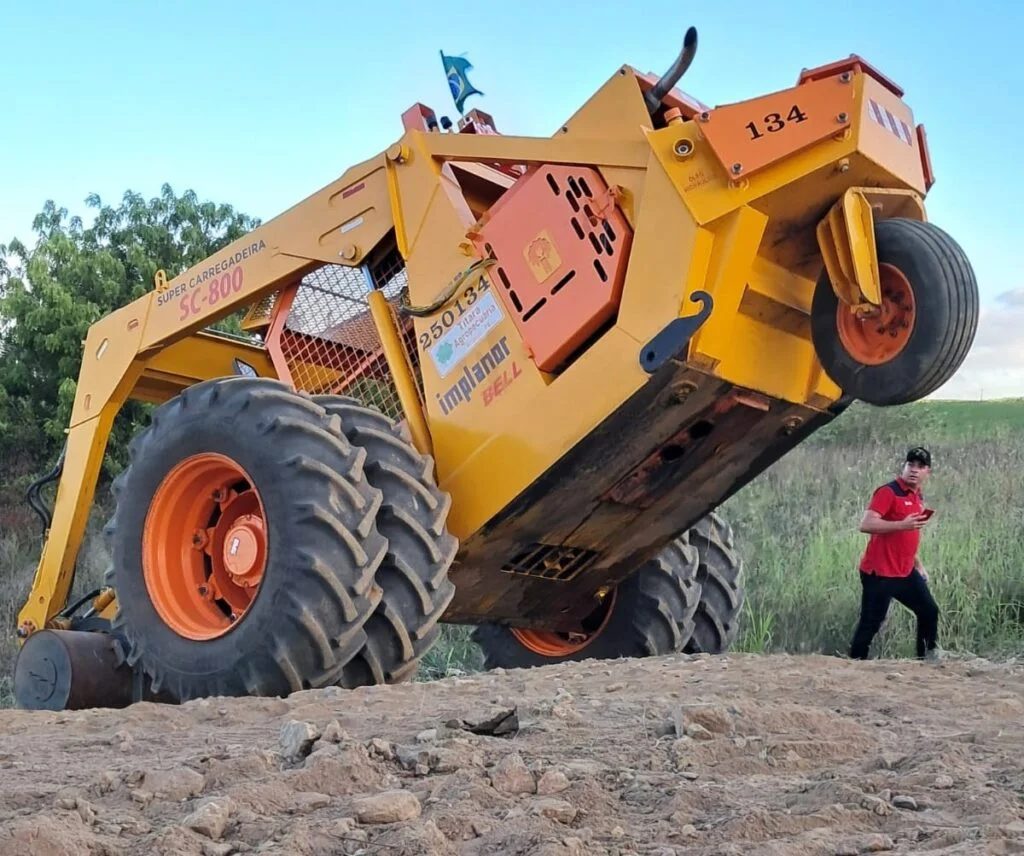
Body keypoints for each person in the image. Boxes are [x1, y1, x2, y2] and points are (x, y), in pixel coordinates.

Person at [849, 446, 941, 661]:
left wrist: (918, 565)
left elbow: (908, 537)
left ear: (928, 472)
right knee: (871, 622)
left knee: (929, 611)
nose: (914, 470)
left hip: (905, 570)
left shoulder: (918, 496)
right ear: (904, 466)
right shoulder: (888, 492)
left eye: (920, 466)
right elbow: (866, 524)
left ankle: (926, 658)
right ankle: (855, 664)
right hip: (879, 572)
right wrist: (902, 524)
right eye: (910, 464)